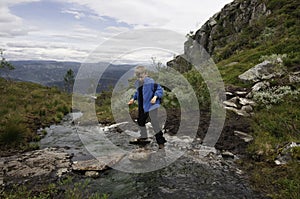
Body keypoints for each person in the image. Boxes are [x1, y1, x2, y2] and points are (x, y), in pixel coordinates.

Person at [128, 66, 166, 149]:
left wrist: (155, 97)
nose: (140, 79)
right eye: (138, 77)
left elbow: (159, 90)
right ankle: (143, 137)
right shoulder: (138, 83)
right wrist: (133, 99)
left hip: (152, 106)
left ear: (146, 74)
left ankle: (161, 142)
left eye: (141, 77)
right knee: (140, 121)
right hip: (142, 106)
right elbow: (138, 93)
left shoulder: (151, 82)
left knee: (154, 123)